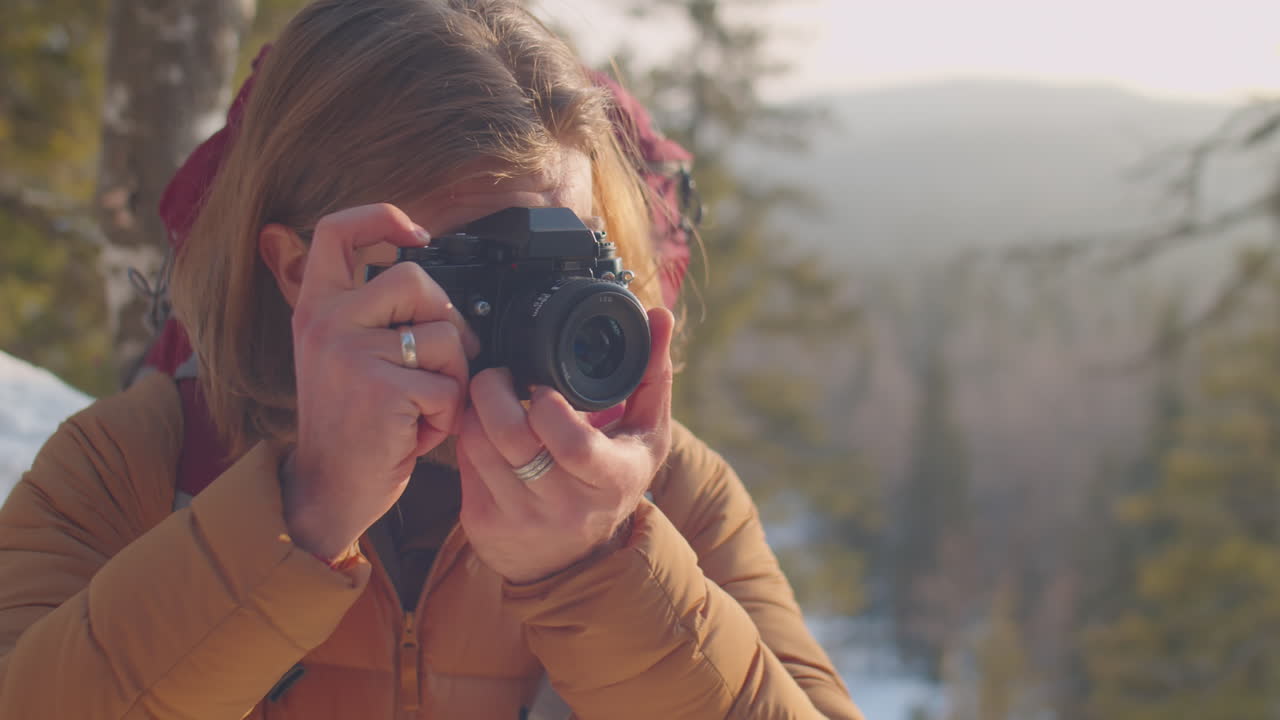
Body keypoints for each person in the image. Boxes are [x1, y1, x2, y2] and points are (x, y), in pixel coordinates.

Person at [0, 1, 863, 718]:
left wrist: (600, 571)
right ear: (298, 269)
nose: (529, 311)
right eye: (469, 271)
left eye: (569, 260)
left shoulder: (669, 495)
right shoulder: (135, 465)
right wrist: (303, 514)